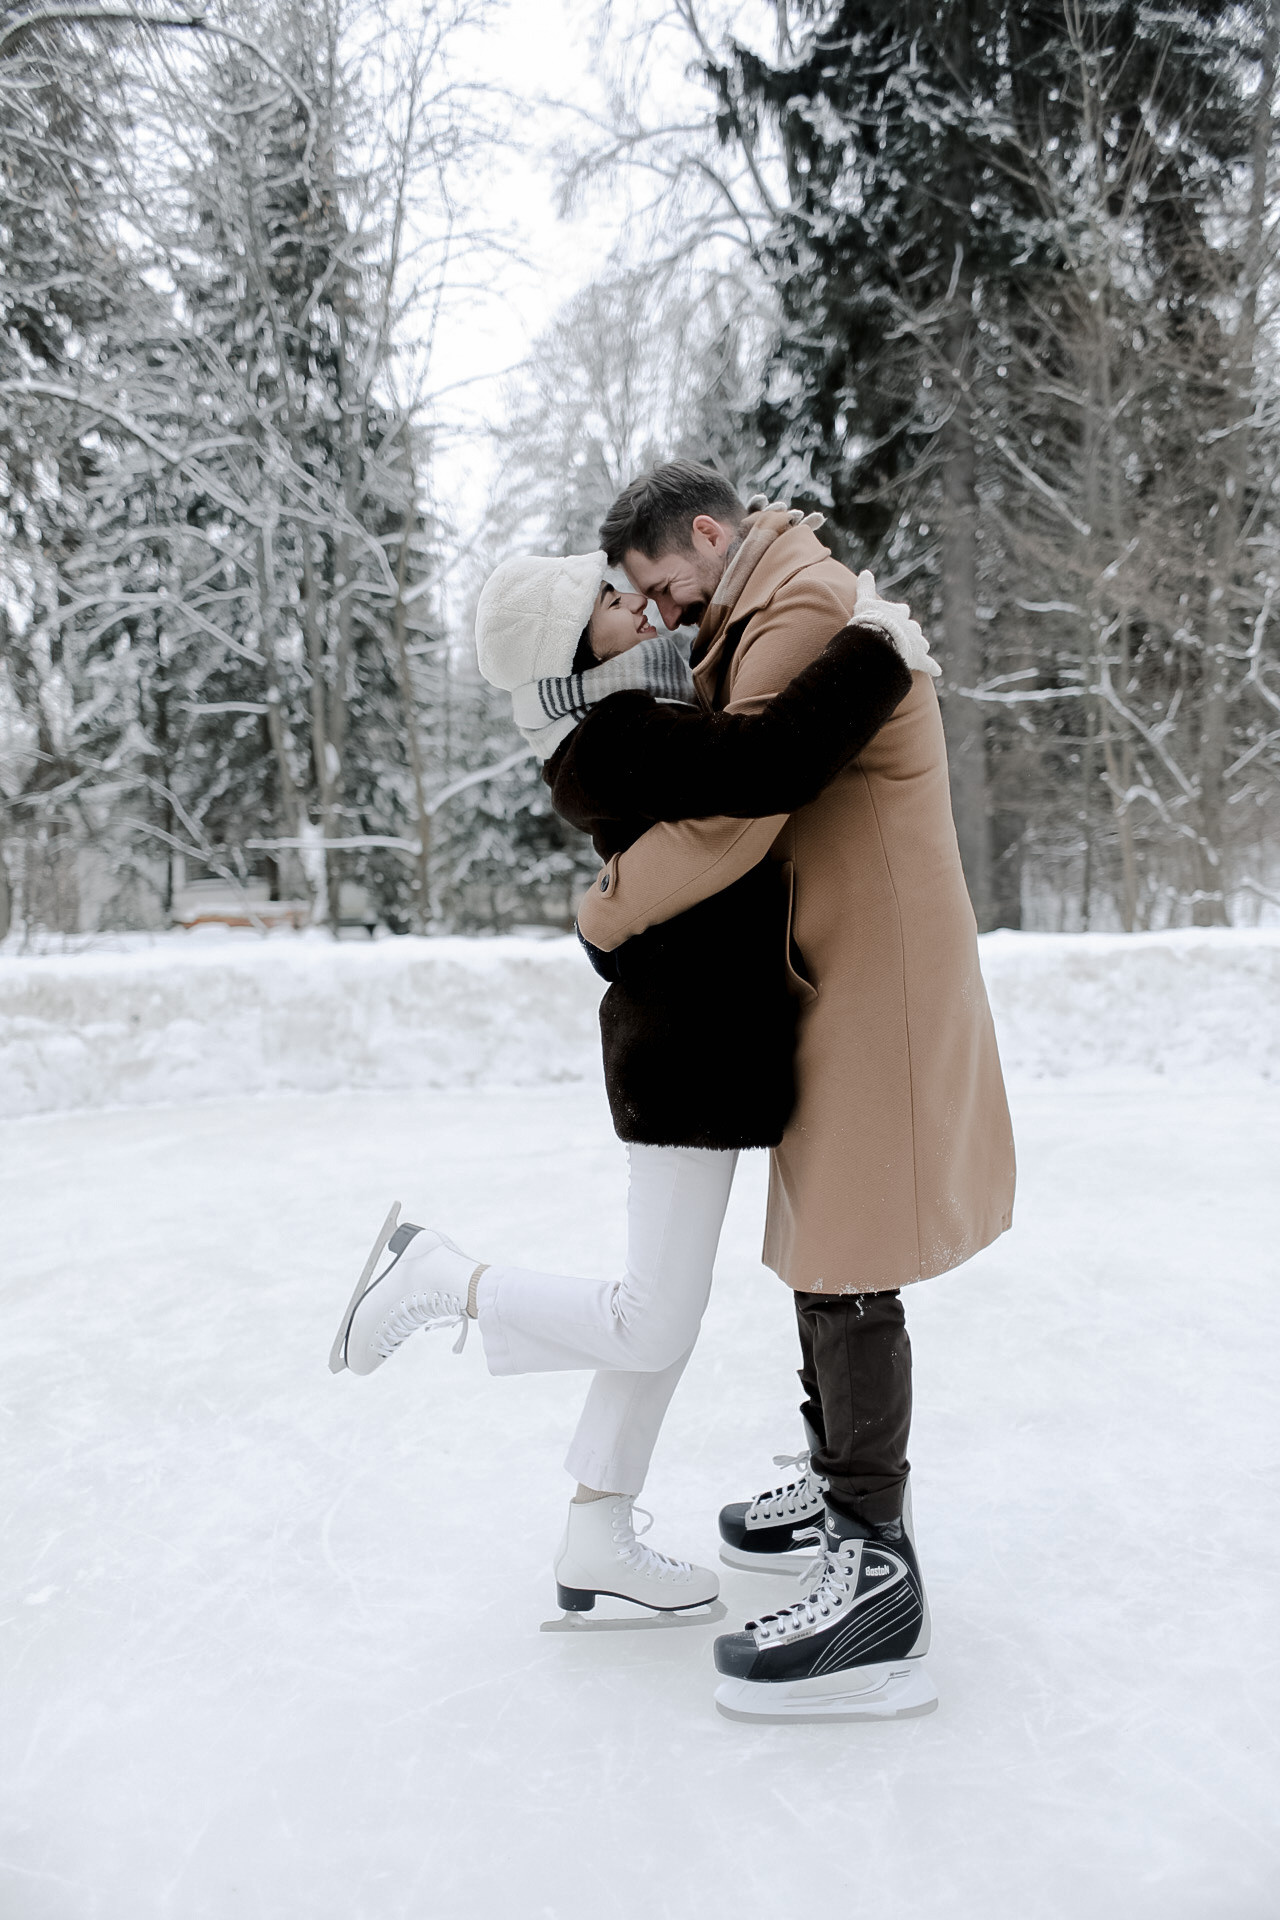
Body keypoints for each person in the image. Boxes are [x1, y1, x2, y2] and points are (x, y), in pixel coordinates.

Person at [329, 538, 931, 1626]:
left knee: (664, 1309)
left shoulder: (624, 721)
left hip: (710, 1045)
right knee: (651, 1319)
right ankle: (444, 1281)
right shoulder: (613, 736)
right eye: (613, 603)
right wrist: (877, 646)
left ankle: (595, 1527)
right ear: (574, 648)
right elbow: (766, 765)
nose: (640, 610)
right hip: (684, 1052)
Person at [576, 464, 1017, 1721]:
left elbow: (736, 812)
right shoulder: (760, 606)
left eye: (662, 583)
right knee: (822, 1238)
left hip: (874, 966)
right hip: (835, 960)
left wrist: (602, 911)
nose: (659, 612)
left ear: (708, 538)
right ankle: (842, 1489)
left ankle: (874, 1574)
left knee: (846, 1253)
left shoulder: (800, 609)